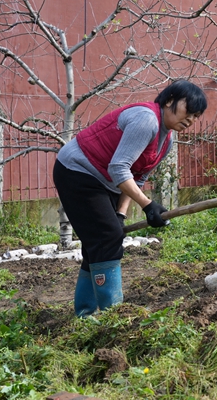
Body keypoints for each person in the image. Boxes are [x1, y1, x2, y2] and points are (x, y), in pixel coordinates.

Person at [54, 80, 207, 317]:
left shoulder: (167, 139)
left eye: (196, 116)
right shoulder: (146, 120)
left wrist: (120, 214)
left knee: (103, 239)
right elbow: (119, 168)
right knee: (107, 237)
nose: (191, 119)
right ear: (169, 101)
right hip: (77, 170)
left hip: (104, 179)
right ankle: (113, 315)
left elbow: (136, 177)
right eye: (189, 110)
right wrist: (147, 205)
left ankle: (85, 314)